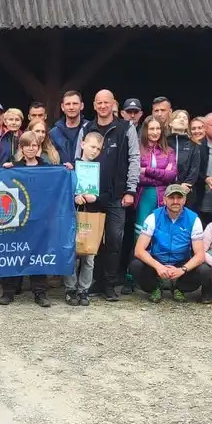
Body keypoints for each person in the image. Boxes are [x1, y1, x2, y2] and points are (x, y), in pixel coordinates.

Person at [84, 89, 140, 301]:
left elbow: (134, 158)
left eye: (106, 102)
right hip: (92, 196)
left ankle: (109, 284)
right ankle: (95, 282)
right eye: (99, 102)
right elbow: (80, 157)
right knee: (94, 241)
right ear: (94, 105)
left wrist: (130, 190)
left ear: (113, 104)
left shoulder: (126, 128)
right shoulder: (86, 128)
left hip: (117, 196)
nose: (103, 106)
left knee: (115, 240)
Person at [129, 184, 211, 303]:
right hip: (158, 260)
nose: (175, 201)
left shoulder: (194, 219)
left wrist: (182, 270)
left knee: (204, 270)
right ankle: (155, 287)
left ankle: (179, 288)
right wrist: (158, 266)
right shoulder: (153, 217)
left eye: (179, 197)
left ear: (184, 200)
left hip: (181, 261)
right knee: (135, 265)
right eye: (171, 198)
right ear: (164, 199)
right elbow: (139, 250)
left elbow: (200, 255)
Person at [0, 132, 53, 308]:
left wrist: (66, 169)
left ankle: (40, 292)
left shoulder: (47, 168)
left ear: (39, 147)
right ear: (21, 148)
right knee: (13, 253)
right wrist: (4, 170)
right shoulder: (13, 167)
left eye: (34, 145)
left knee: (38, 254)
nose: (31, 148)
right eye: (27, 145)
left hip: (39, 218)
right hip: (18, 218)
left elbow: (56, 183)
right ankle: (8, 291)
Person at [66, 132, 106, 306]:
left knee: (89, 256)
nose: (94, 151)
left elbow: (108, 194)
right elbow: (63, 190)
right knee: (71, 253)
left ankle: (84, 290)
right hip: (72, 214)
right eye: (92, 146)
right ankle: (70, 289)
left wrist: (95, 198)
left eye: (98, 148)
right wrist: (74, 197)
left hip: (92, 215)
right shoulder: (70, 167)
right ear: (82, 145)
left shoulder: (101, 169)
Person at [134, 118, 176, 234]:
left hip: (164, 195)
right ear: (145, 130)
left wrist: (146, 170)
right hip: (144, 195)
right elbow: (136, 176)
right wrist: (162, 175)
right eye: (151, 129)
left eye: (158, 128)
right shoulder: (136, 150)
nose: (155, 132)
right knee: (141, 230)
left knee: (161, 230)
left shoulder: (169, 151)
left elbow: (171, 175)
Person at [166, 110, 202, 210]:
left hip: (186, 190)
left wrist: (188, 185)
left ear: (187, 125)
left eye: (185, 118)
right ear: (170, 123)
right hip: (165, 189)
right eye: (178, 117)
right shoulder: (163, 142)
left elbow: (195, 168)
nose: (182, 120)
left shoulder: (193, 144)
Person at [50, 91, 90, 162]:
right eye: (68, 104)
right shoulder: (54, 133)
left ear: (82, 106)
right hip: (61, 169)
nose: (71, 107)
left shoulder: (90, 129)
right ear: (62, 107)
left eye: (75, 103)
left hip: (85, 169)